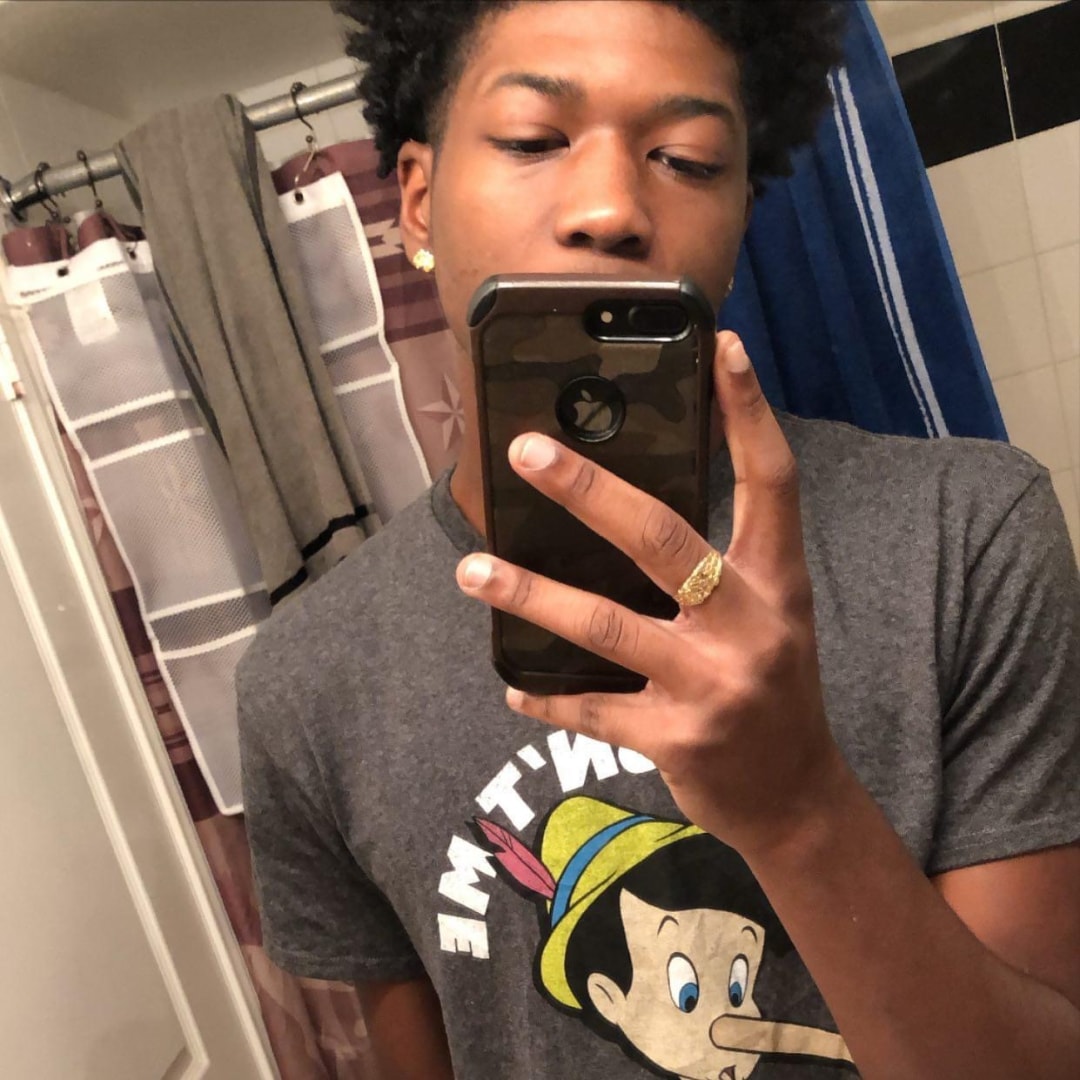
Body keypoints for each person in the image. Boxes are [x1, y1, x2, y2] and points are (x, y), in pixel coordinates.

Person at [236, 2, 1080, 1077]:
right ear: (417, 202)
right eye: (534, 139)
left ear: (738, 221)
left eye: (685, 159)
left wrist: (797, 806)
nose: (610, 209)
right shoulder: (305, 683)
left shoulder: (967, 534)